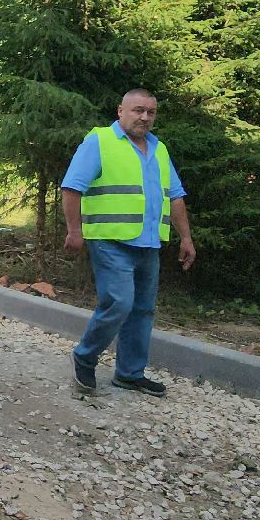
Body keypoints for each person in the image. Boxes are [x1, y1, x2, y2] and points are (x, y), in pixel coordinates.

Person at [61, 88, 195, 398]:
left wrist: (185, 237)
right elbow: (72, 188)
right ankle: (85, 355)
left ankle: (130, 374)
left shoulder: (158, 149)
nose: (144, 117)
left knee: (143, 309)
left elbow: (175, 196)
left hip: (148, 243)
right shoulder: (100, 141)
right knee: (119, 303)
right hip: (110, 241)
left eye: (150, 112)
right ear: (120, 110)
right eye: (137, 110)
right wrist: (74, 231)